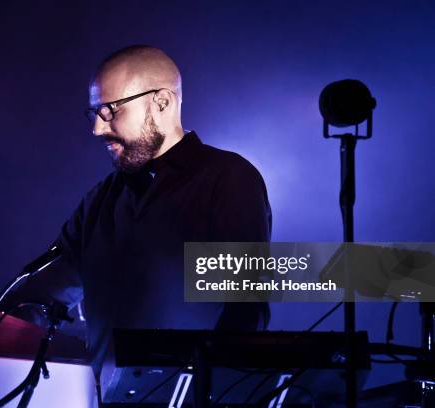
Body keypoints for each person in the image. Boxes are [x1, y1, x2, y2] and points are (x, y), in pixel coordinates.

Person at [15, 45, 272, 381]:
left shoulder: (228, 178)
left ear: (162, 102)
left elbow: (244, 310)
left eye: (110, 110)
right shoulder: (99, 200)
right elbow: (41, 294)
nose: (97, 128)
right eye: (93, 113)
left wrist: (210, 388)